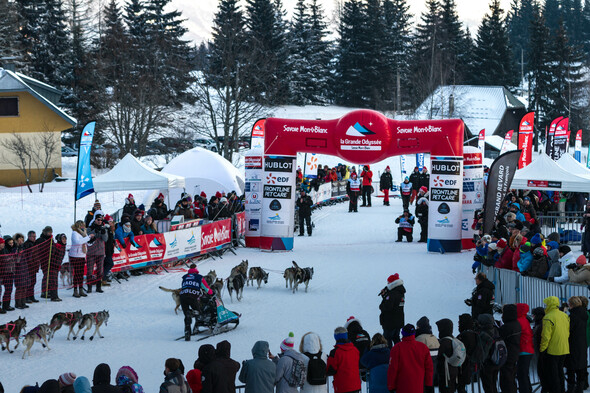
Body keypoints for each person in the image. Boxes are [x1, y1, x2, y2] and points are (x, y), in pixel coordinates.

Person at [387, 324, 434, 393]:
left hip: (402, 387)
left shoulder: (396, 348)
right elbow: (429, 368)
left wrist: (391, 386)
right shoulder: (423, 347)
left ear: (402, 333)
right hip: (419, 387)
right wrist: (429, 384)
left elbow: (393, 369)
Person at [540, 296, 570, 393]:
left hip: (553, 350)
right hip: (564, 348)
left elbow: (545, 336)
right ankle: (562, 390)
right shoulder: (564, 315)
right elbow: (567, 331)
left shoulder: (548, 317)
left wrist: (542, 349)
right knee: (560, 371)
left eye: (546, 304)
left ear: (549, 305)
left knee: (553, 374)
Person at [179, 265, 213, 341]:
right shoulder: (199, 277)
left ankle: (187, 332)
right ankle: (192, 313)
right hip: (192, 296)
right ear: (196, 271)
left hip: (182, 296)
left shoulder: (185, 277)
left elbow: (184, 286)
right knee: (198, 312)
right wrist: (211, 293)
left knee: (187, 315)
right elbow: (206, 288)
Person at [326, 326, 361, 393]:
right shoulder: (355, 350)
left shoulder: (335, 352)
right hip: (356, 386)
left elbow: (331, 370)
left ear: (336, 337)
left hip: (342, 387)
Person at [566, 296, 587, 393]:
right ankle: (580, 388)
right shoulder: (584, 314)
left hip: (573, 343)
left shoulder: (572, 316)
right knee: (581, 366)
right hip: (582, 342)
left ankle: (571, 388)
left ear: (571, 305)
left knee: (571, 367)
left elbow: (568, 330)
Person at [498, 304, 521, 393]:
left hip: (507, 355)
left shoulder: (507, 326)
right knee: (511, 378)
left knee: (506, 380)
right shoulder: (516, 323)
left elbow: (500, 336)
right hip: (514, 354)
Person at [379, 273, 405, 346]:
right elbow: (394, 304)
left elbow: (388, 307)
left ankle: (389, 355)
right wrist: (385, 296)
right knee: (396, 337)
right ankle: (400, 353)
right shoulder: (400, 292)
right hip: (398, 320)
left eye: (388, 282)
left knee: (387, 339)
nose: (387, 284)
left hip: (390, 322)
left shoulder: (392, 294)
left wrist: (381, 305)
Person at [69, 221, 93, 298]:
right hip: (75, 256)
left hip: (82, 255)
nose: (83, 227)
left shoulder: (84, 233)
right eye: (81, 226)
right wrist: (88, 237)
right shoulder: (74, 233)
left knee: (81, 273)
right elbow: (77, 242)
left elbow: (88, 243)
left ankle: (81, 289)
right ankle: (75, 290)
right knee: (76, 273)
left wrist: (91, 239)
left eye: (84, 225)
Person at [476, 314, 500, 393]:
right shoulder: (496, 330)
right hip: (496, 360)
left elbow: (481, 348)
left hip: (487, 363)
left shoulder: (482, 333)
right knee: (493, 384)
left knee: (488, 386)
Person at [436, 319, 460, 393]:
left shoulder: (444, 342)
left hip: (446, 374)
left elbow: (437, 355)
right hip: (453, 371)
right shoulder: (453, 339)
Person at [86, 213, 108, 294]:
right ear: (95, 220)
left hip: (100, 252)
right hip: (91, 252)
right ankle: (89, 287)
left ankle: (98, 287)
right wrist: (95, 231)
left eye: (101, 220)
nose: (99, 221)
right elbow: (88, 237)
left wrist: (103, 232)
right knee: (89, 271)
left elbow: (105, 239)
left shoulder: (103, 228)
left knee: (100, 271)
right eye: (98, 220)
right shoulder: (90, 228)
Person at [415, 316, 440, 386]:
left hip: (423, 372)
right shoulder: (434, 338)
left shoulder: (419, 339)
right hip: (434, 371)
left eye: (417, 326)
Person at [456, 314, 478, 393]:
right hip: (472, 365)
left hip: (464, 367)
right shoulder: (475, 334)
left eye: (459, 323)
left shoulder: (463, 336)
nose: (458, 325)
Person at [515, 304, 534, 393]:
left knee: (521, 374)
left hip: (523, 350)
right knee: (524, 374)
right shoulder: (524, 319)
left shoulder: (519, 320)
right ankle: (528, 389)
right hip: (527, 349)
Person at [23, 230, 39, 304]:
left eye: (35, 236)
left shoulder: (35, 244)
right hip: (29, 267)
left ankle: (31, 296)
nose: (34, 238)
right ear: (29, 236)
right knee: (28, 283)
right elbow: (28, 257)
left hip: (34, 266)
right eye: (33, 236)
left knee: (33, 282)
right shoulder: (26, 245)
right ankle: (27, 297)